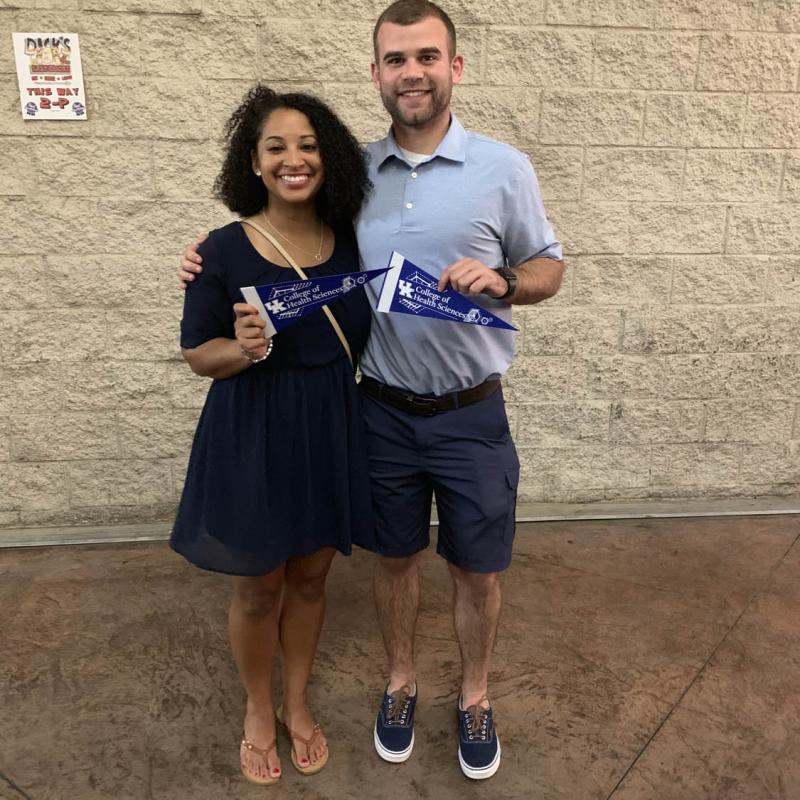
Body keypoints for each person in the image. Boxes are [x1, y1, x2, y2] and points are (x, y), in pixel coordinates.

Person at [179, 0, 563, 781]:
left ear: (454, 65)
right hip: (377, 409)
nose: (411, 72)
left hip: (469, 410)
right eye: (396, 59)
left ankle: (476, 697)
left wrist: (509, 281)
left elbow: (550, 267)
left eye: (427, 56)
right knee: (392, 561)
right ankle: (398, 684)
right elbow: (275, 231)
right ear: (377, 73)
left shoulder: (503, 167)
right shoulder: (354, 175)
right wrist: (205, 260)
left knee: (477, 569)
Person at [171, 86, 373, 785]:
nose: (294, 159)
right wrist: (245, 347)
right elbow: (199, 352)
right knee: (259, 584)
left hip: (327, 424)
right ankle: (258, 707)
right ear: (252, 163)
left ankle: (295, 701)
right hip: (253, 426)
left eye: (309, 145)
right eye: (277, 147)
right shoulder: (221, 250)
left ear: (330, 158)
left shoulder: (354, 236)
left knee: (312, 577)